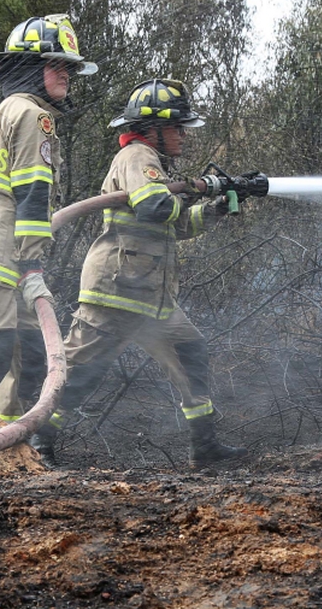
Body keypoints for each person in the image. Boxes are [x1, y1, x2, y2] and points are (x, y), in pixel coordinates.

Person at [29, 78, 254, 469]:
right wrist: (196, 187)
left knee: (191, 353)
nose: (183, 136)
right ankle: (38, 444)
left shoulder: (155, 165)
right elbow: (154, 207)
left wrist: (214, 208)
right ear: (152, 129)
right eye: (177, 127)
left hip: (153, 299)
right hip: (117, 292)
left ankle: (205, 446)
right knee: (81, 369)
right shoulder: (137, 156)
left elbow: (176, 225)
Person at [0, 15, 97, 443]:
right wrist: (30, 263)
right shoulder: (30, 115)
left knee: (28, 354)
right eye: (56, 64)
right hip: (0, 255)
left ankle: (7, 443)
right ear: (30, 69)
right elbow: (32, 191)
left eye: (67, 66)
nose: (66, 73)